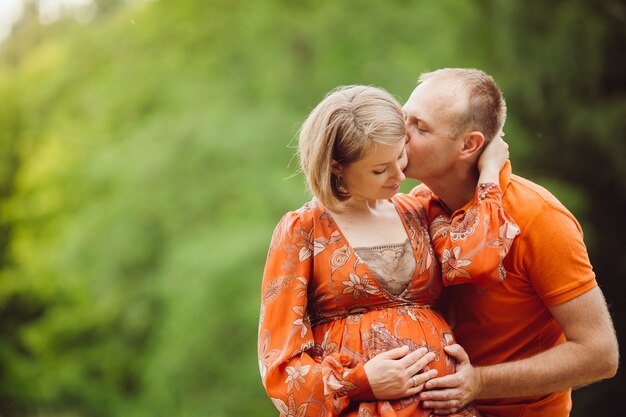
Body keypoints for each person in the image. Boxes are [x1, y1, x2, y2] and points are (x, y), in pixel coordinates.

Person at [258, 85, 517, 417]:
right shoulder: (303, 230)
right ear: (337, 166)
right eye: (380, 169)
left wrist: (489, 175)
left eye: (400, 156)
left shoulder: (419, 209)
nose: (399, 175)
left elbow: (479, 262)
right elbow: (279, 366)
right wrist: (360, 381)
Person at [402, 68, 619, 417]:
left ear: (469, 145)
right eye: (403, 118)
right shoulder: (419, 202)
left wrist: (479, 383)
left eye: (420, 127)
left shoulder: (539, 217)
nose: (401, 134)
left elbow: (599, 355)